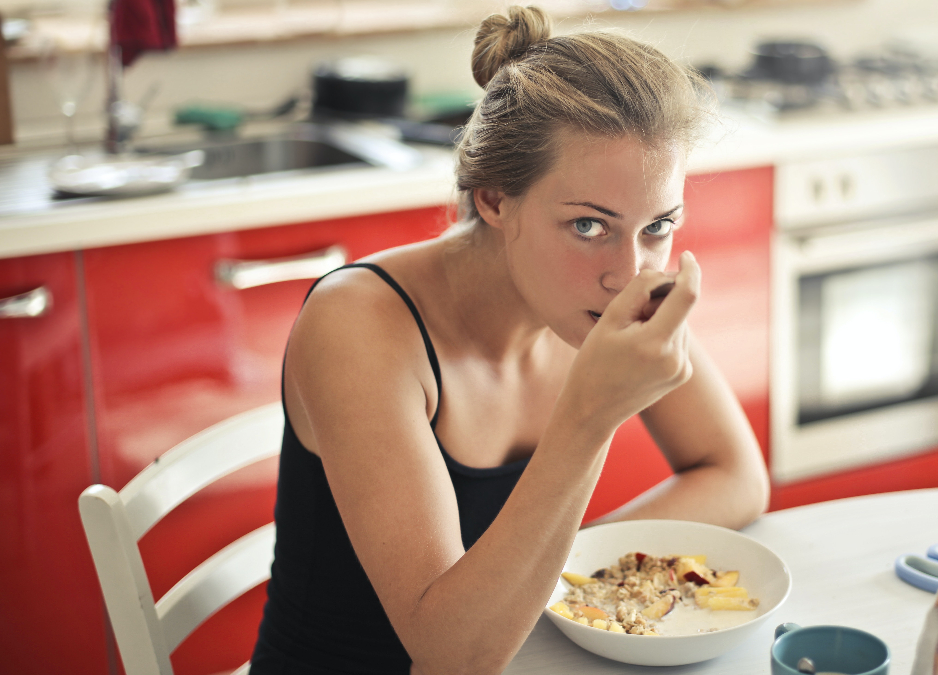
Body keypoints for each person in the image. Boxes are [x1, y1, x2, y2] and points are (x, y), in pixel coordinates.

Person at [249, 6, 769, 674]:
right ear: (494, 199)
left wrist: (545, 572)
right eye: (588, 225)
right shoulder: (361, 326)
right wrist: (591, 415)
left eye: (659, 225)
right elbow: (449, 654)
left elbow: (736, 476)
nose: (630, 272)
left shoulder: (610, 290)